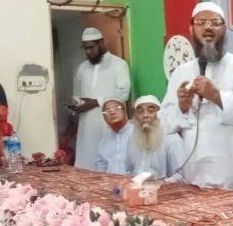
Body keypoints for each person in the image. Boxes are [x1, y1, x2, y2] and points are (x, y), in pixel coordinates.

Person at [160, 2, 233, 194]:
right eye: (201, 22)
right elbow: (165, 124)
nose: (208, 27)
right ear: (191, 29)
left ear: (224, 29)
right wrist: (182, 107)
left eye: (215, 22)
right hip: (195, 175)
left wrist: (217, 97)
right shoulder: (181, 72)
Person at [69, 27, 130, 170]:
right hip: (87, 127)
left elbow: (124, 93)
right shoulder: (82, 68)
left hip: (109, 125)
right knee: (85, 167)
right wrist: (75, 103)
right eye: (85, 48)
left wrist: (97, 102)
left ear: (101, 43)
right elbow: (77, 94)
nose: (88, 52)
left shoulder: (119, 65)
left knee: (108, 166)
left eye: (91, 47)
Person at [127, 95, 184, 178]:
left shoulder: (171, 138)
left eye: (151, 111)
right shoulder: (132, 138)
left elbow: (180, 175)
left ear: (160, 114)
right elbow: (129, 170)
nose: (145, 115)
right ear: (136, 116)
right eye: (140, 112)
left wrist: (159, 183)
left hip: (162, 185)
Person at [95, 99, 133, 174]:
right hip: (109, 180)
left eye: (116, 108)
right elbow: (100, 167)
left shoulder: (137, 133)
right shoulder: (104, 141)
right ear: (104, 118)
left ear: (125, 112)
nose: (112, 112)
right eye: (107, 110)